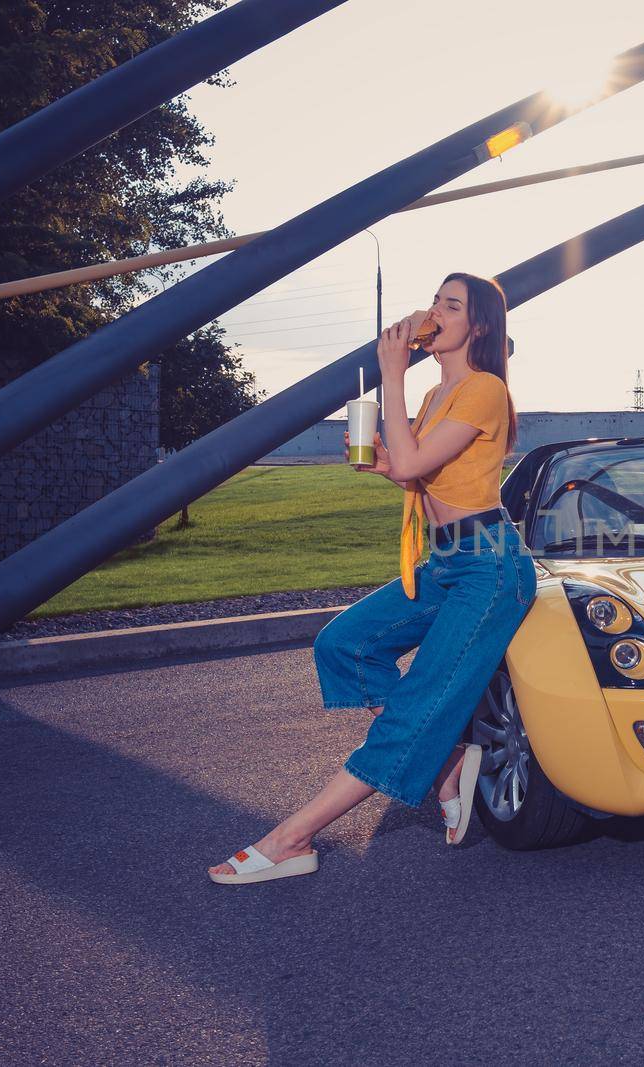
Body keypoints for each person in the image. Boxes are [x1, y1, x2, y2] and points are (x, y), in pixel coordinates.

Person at [209, 272, 536, 884]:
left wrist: (393, 368)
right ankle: (446, 764)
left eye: (451, 305)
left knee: (411, 713)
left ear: (479, 326)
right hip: (444, 561)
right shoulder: (440, 396)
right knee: (345, 644)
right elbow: (420, 473)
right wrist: (389, 468)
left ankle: (292, 839)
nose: (434, 311)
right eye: (436, 299)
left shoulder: (484, 389)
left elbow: (417, 460)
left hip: (490, 568)